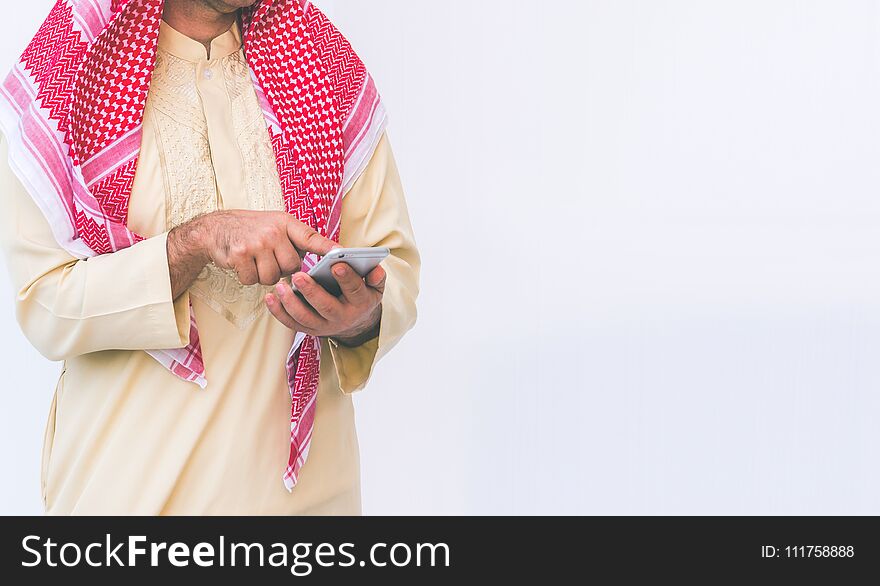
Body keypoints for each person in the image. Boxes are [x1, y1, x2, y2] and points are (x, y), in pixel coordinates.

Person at [0, 0, 419, 515]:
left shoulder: (324, 68)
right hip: (129, 502)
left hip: (306, 504)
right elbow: (46, 305)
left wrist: (359, 317)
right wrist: (193, 243)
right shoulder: (66, 80)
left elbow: (393, 271)